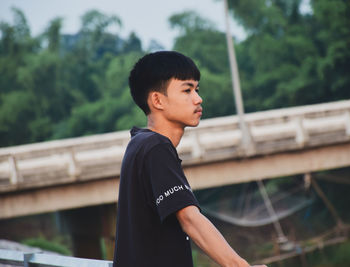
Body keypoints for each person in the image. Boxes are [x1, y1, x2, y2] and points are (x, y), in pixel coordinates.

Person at [113, 51, 266, 267]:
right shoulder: (155, 147)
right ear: (157, 100)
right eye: (187, 90)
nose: (198, 98)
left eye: (197, 89)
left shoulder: (141, 144)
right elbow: (190, 220)